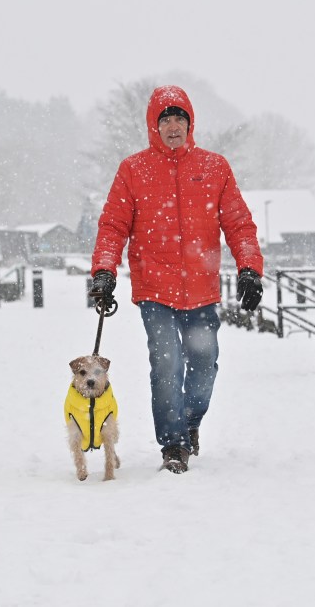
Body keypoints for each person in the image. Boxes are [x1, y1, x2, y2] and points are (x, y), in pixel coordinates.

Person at [89, 85, 264, 474]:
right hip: (155, 291)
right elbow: (113, 226)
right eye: (165, 120)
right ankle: (173, 445)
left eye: (179, 119)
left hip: (202, 290)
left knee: (204, 367)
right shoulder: (133, 170)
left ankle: (190, 421)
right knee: (166, 365)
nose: (173, 126)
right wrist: (104, 270)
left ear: (190, 124)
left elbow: (239, 224)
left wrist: (250, 268)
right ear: (153, 126)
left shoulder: (214, 167)